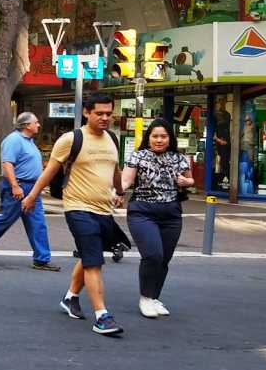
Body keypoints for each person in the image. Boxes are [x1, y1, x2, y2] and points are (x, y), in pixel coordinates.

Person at [21, 96, 126, 336]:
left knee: (91, 255)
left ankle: (70, 298)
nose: (105, 118)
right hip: (78, 208)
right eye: (100, 113)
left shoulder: (111, 138)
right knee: (94, 261)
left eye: (109, 113)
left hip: (103, 209)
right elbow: (50, 172)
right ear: (87, 113)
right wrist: (32, 197)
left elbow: (115, 169)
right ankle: (102, 316)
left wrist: (120, 191)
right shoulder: (71, 139)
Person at [120, 118, 193, 318]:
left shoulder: (179, 158)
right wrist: (116, 191)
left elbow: (190, 179)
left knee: (164, 259)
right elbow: (126, 180)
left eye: (163, 136)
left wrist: (187, 181)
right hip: (142, 211)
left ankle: (154, 298)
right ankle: (145, 298)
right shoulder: (138, 156)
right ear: (148, 138)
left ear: (170, 138)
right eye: (155, 136)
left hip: (171, 214)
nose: (159, 140)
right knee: (153, 255)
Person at [0, 113, 59, 271]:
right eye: (36, 122)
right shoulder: (13, 140)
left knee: (38, 223)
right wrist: (14, 186)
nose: (39, 125)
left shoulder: (29, 141)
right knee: (6, 219)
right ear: (27, 125)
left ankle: (41, 258)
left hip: (32, 188)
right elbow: (7, 165)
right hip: (18, 186)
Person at [213, 97, 232, 190]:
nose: (222, 103)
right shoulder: (215, 115)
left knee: (226, 162)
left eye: (224, 101)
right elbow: (212, 132)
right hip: (220, 142)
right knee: (220, 162)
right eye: (220, 101)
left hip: (227, 142)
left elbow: (228, 129)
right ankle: (220, 183)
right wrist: (219, 140)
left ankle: (225, 183)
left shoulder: (227, 114)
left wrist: (228, 141)